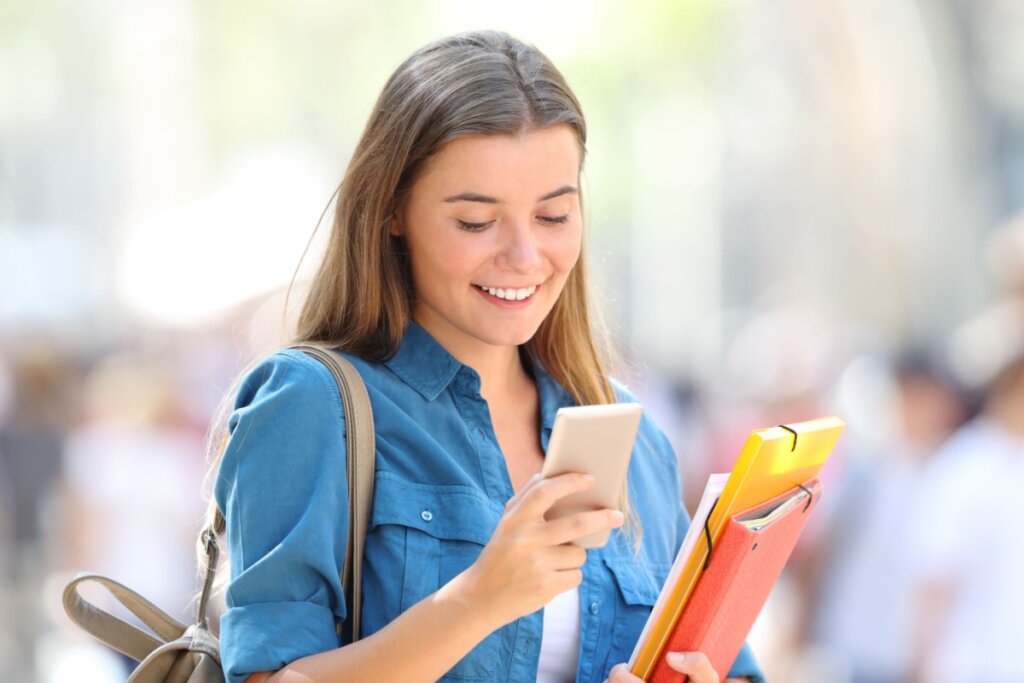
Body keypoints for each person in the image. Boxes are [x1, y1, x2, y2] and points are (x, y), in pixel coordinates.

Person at [204, 30, 764, 683]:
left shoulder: (631, 433)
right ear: (392, 212)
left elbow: (729, 663)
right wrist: (475, 600)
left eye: (554, 216)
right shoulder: (313, 403)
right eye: (476, 222)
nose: (524, 256)